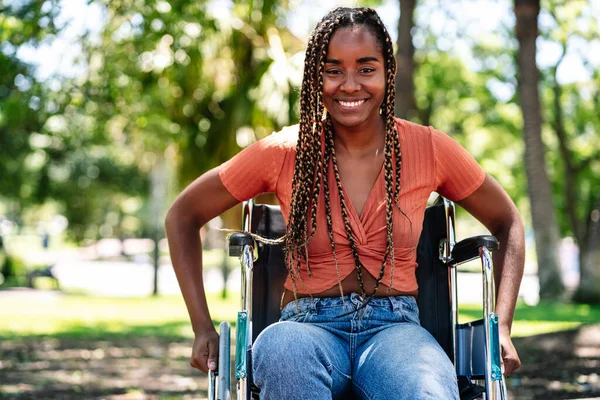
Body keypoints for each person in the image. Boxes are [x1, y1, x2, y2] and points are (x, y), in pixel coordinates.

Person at [165, 7, 524, 399]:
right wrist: (202, 327)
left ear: (388, 73)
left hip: (396, 330)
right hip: (305, 326)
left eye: (366, 69)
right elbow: (183, 215)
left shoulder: (429, 148)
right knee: (283, 354)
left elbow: (507, 220)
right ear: (316, 78)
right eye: (333, 70)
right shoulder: (287, 150)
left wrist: (501, 326)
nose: (349, 85)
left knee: (427, 388)